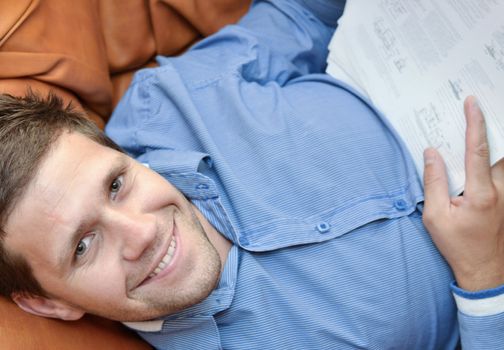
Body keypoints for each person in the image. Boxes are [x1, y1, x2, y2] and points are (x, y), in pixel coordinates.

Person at [0, 0, 503, 349]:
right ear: (46, 305)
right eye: (83, 247)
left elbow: (302, 15)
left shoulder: (166, 104)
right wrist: (484, 275)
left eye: (116, 184)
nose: (141, 232)